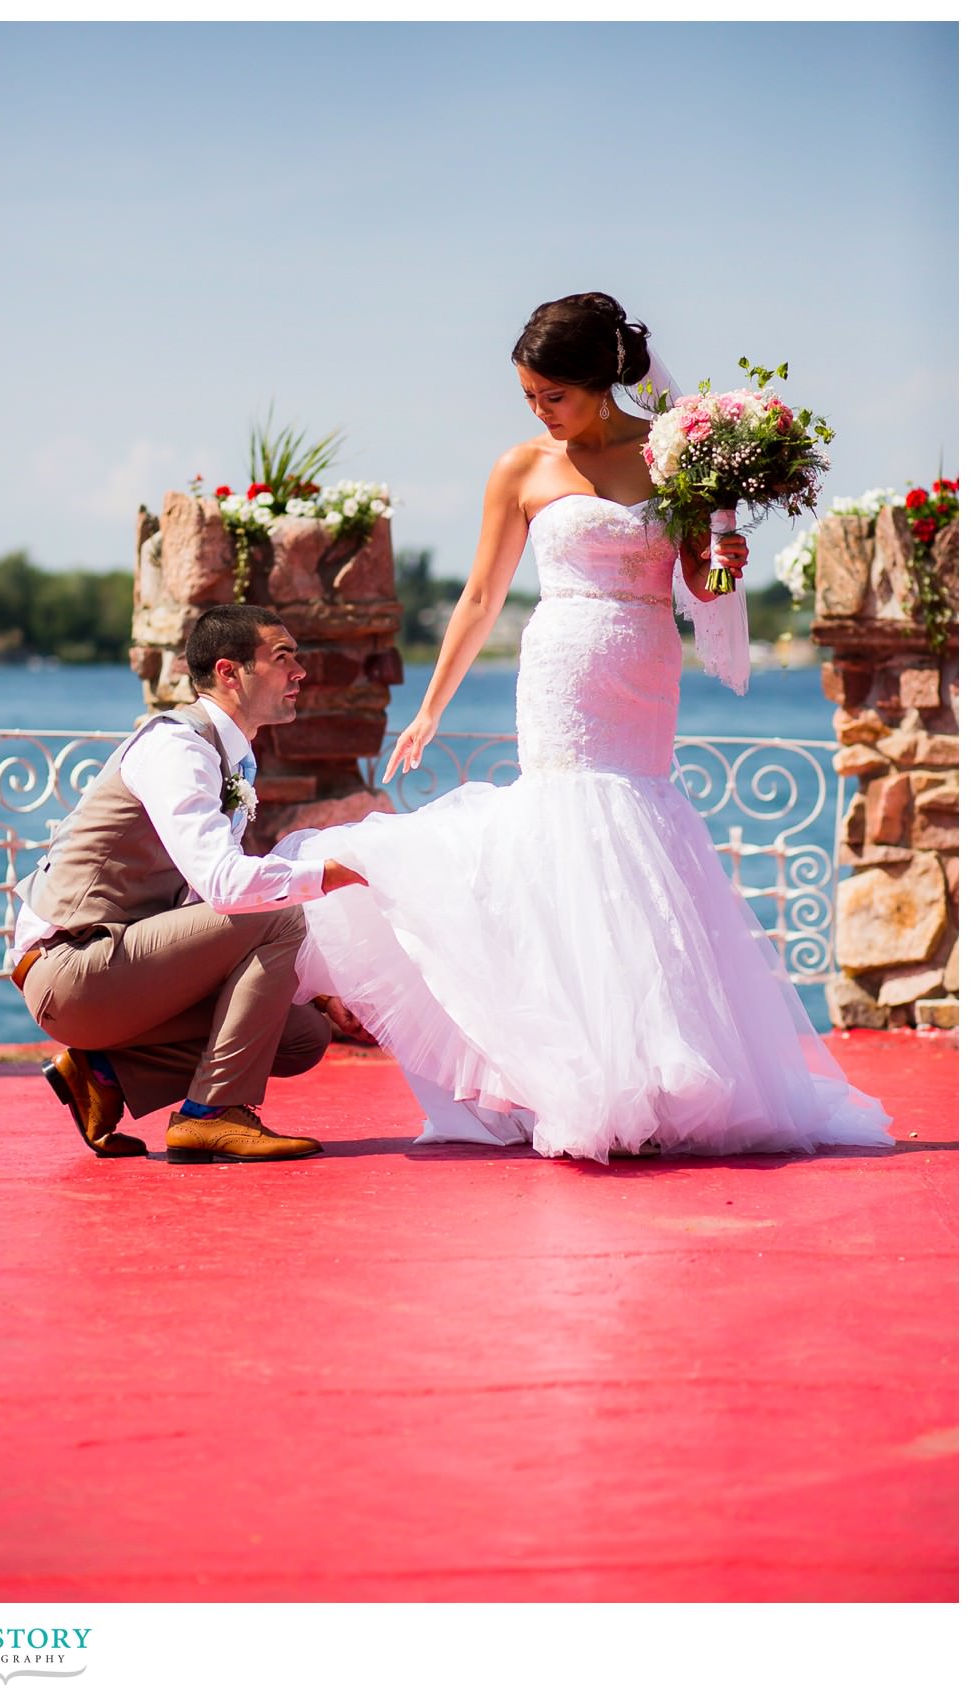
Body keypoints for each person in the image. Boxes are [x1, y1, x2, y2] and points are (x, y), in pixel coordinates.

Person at [277, 292, 893, 1162]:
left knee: (637, 832)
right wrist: (429, 708)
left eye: (552, 396)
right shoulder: (519, 467)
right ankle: (569, 1073)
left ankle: (656, 1067)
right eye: (527, 395)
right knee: (566, 835)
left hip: (642, 669)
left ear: (602, 382)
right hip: (561, 668)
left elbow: (700, 593)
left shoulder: (674, 459)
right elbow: (484, 595)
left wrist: (724, 568)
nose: (539, 412)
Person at [9, 603, 366, 1163]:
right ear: (230, 672)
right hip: (72, 967)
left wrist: (318, 989)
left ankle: (105, 1074)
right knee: (275, 912)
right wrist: (334, 873)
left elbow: (204, 906)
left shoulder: (230, 758)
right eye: (283, 657)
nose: (301, 671)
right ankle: (212, 1113)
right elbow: (227, 887)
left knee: (303, 1036)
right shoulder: (178, 747)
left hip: (123, 970)